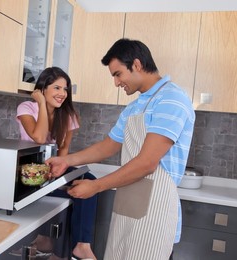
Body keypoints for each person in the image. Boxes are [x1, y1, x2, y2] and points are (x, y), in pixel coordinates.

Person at [46, 39, 195, 260]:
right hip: (129, 200)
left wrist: (96, 186)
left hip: (156, 208)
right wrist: (67, 161)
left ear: (136, 64)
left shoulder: (172, 98)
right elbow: (109, 145)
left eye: (118, 74)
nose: (116, 83)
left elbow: (147, 163)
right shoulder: (135, 106)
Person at [16, 67, 98, 260]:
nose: (62, 93)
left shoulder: (68, 115)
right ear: (43, 89)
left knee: (89, 183)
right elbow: (39, 137)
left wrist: (59, 172)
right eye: (57, 88)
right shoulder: (27, 108)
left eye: (65, 89)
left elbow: (63, 151)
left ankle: (82, 245)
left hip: (54, 167)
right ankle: (51, 247)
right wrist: (42, 105)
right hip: (28, 171)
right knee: (71, 195)